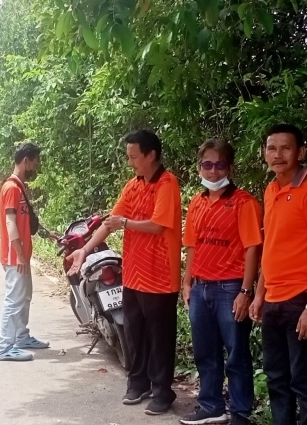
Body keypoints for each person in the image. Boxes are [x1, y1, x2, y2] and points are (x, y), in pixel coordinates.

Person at [68, 130, 182, 416]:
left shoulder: (167, 184)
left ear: (150, 155)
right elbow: (110, 223)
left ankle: (162, 391)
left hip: (160, 276)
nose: (130, 162)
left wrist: (127, 223)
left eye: (134, 156)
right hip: (133, 274)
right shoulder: (133, 185)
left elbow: (157, 225)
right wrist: (84, 249)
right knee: (134, 332)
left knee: (159, 337)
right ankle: (138, 381)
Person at [249, 123, 307, 425]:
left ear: (301, 152)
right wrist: (259, 294)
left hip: (301, 299)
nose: (278, 154)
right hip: (273, 299)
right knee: (276, 379)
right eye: (272, 148)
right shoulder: (271, 190)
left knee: (305, 381)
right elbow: (270, 246)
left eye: (286, 148)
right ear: (264, 153)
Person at [180, 140, 262, 425]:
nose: (213, 171)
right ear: (199, 166)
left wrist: (245, 291)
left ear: (230, 167)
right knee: (205, 352)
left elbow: (253, 247)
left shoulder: (244, 202)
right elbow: (192, 245)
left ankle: (240, 412)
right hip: (200, 287)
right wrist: (187, 282)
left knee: (236, 354)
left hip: (230, 288)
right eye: (207, 164)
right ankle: (211, 405)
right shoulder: (197, 202)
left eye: (220, 165)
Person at [0, 142, 51, 361]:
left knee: (24, 297)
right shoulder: (11, 188)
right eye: (34, 163)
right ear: (25, 161)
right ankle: (4, 347)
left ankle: (21, 337)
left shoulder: (19, 187)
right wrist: (19, 253)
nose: (35, 168)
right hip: (14, 254)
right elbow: (11, 223)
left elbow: (24, 220)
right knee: (14, 299)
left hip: (22, 253)